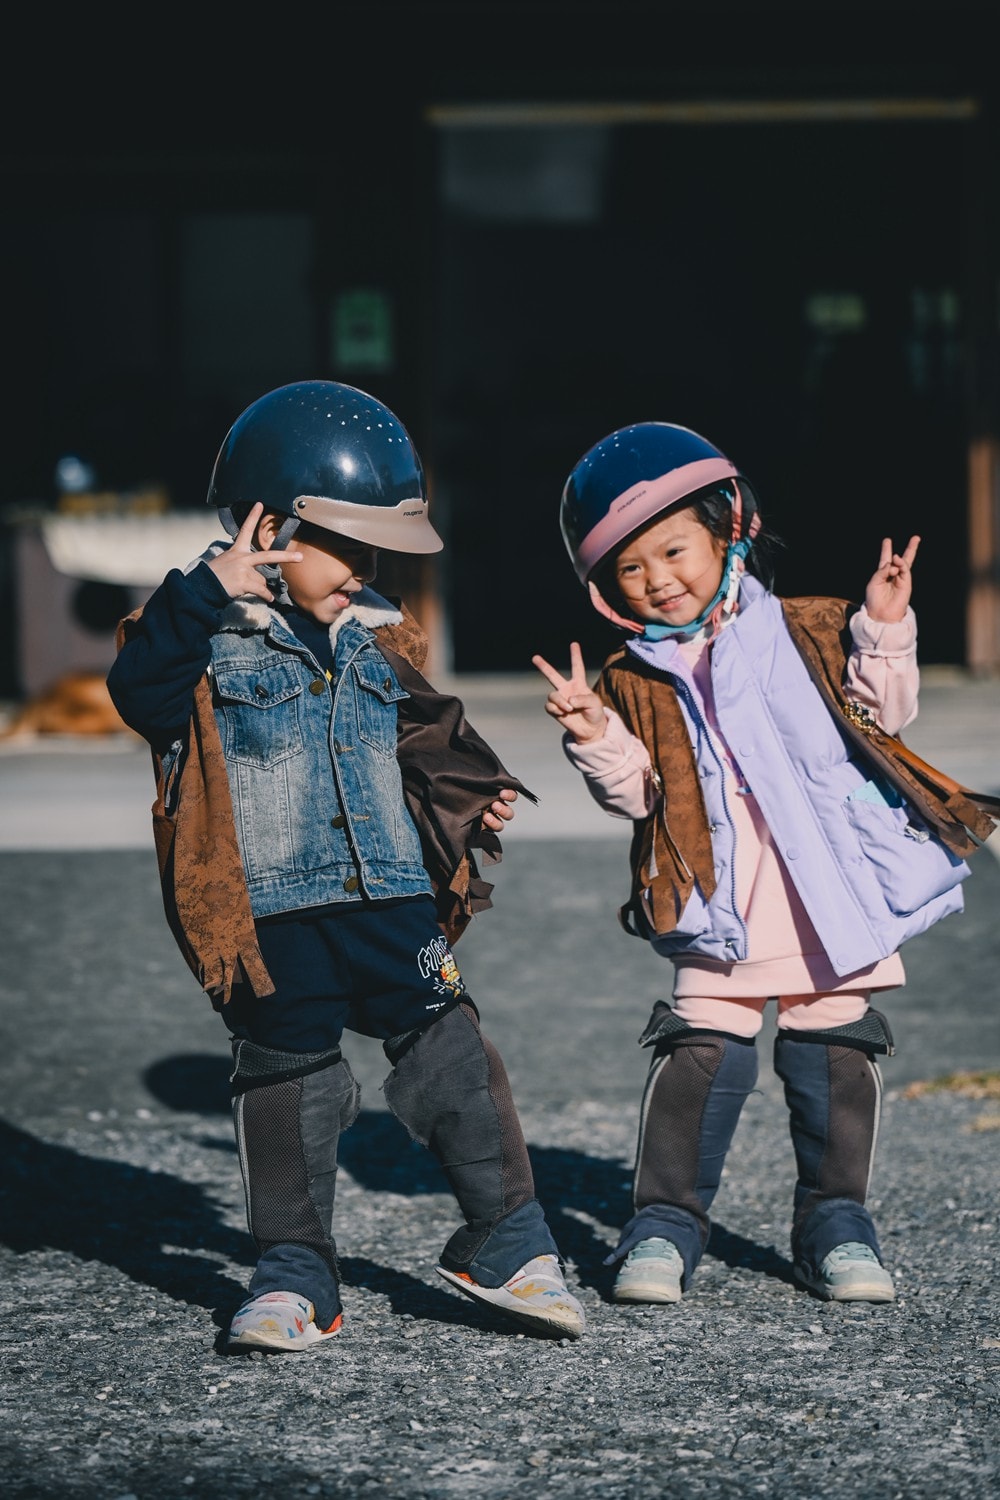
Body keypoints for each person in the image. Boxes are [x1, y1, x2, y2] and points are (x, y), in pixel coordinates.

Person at [108, 380, 585, 1351]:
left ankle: (507, 1237)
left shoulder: (376, 631)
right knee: (289, 1084)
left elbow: (422, 731)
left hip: (391, 899)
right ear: (271, 527)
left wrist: (470, 788)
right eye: (351, 545)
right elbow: (137, 691)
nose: (368, 567)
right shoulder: (199, 645)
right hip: (273, 914)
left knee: (453, 1056)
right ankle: (294, 1272)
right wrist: (206, 592)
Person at [533, 420, 999, 1308]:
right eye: (631, 570)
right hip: (721, 895)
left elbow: (883, 714)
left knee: (833, 1047)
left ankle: (836, 1222)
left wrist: (888, 625)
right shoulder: (632, 678)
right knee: (701, 1051)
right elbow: (637, 800)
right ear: (606, 589)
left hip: (827, 883)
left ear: (729, 529)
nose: (659, 580)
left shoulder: (816, 626)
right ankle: (665, 1224)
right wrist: (595, 735)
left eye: (674, 551)